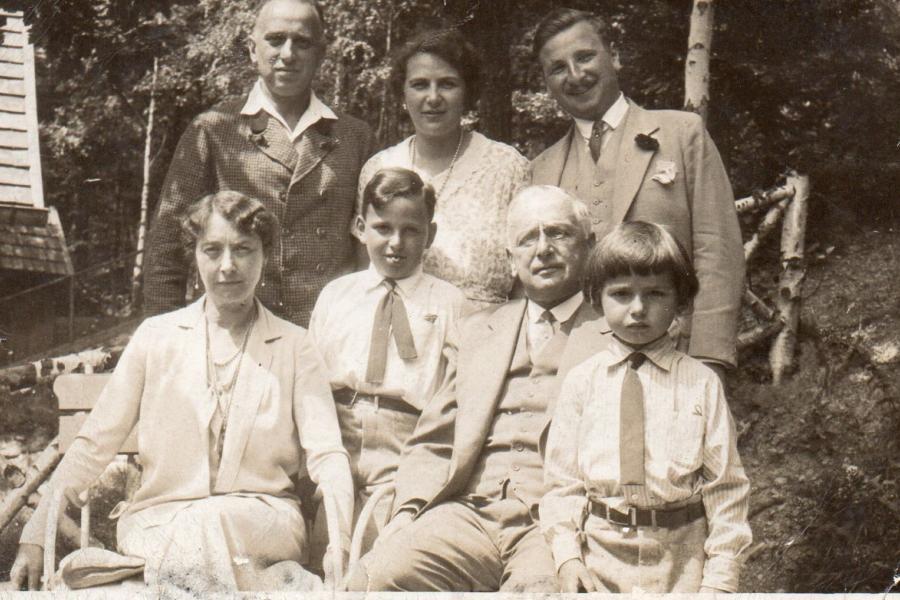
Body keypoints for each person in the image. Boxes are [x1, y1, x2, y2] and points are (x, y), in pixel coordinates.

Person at [10, 191, 354, 593]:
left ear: (266, 255)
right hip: (160, 519)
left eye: (244, 250)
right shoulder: (156, 337)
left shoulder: (295, 346)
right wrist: (35, 534)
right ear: (195, 255)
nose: (228, 266)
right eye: (213, 250)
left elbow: (327, 453)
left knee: (210, 522)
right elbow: (93, 443)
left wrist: (340, 540)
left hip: (262, 521)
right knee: (194, 529)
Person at [347, 185, 611, 592]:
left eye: (558, 234)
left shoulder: (613, 337)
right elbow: (435, 440)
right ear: (511, 260)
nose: (543, 249)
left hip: (556, 526)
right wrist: (407, 511)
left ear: (589, 246)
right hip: (469, 513)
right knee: (380, 575)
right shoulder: (481, 330)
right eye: (527, 238)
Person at [530, 8, 745, 377]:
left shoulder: (682, 134)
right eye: (558, 68)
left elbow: (718, 252)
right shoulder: (541, 170)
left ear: (613, 56)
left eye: (584, 57)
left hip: (676, 359)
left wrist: (710, 361)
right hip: (576, 371)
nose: (576, 75)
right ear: (547, 82)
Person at [540, 221, 752, 593]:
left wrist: (720, 581)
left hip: (683, 560)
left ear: (681, 301)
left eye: (655, 294)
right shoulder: (581, 382)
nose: (638, 309)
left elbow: (727, 490)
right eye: (621, 294)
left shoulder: (702, 384)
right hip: (598, 557)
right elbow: (562, 484)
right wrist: (567, 557)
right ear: (596, 299)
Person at [144, 0, 375, 328]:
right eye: (276, 39)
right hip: (235, 336)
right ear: (253, 50)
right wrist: (165, 341)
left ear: (322, 54)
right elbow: (167, 249)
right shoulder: (213, 129)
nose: (289, 54)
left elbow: (372, 252)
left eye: (303, 42)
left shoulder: (355, 137)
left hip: (330, 337)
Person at [308, 168, 467, 555]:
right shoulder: (336, 295)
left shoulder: (448, 303)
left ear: (430, 234)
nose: (396, 242)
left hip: (407, 440)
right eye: (382, 228)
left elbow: (454, 392)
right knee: (326, 541)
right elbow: (310, 380)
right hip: (337, 432)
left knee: (387, 547)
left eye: (411, 230)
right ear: (361, 227)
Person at [357, 28, 529, 308]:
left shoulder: (508, 168)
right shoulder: (378, 168)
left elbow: (527, 279)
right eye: (420, 84)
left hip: (490, 339)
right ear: (403, 93)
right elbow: (364, 274)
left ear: (467, 92)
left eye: (447, 84)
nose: (433, 97)